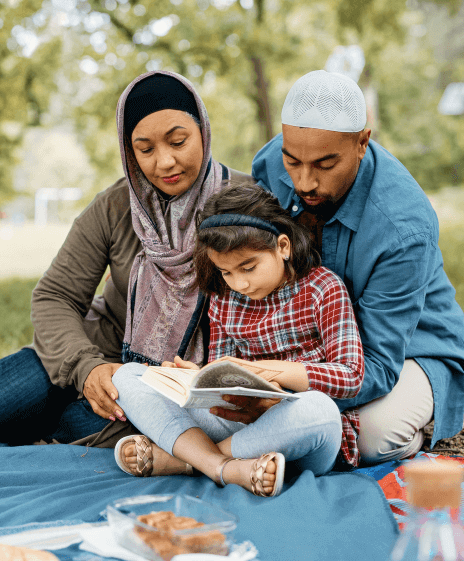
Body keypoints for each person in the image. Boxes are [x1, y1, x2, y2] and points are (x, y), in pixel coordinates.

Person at [0, 70, 251, 447]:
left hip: (192, 377)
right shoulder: (117, 205)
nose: (165, 162)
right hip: (105, 354)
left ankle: (64, 421)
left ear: (202, 130)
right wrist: (88, 369)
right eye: (146, 149)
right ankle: (63, 406)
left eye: (178, 141)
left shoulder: (245, 201)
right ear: (129, 152)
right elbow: (55, 296)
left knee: (87, 423)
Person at [248, 70, 464, 465]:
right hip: (314, 345)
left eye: (325, 163)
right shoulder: (270, 164)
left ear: (362, 143)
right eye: (293, 160)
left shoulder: (404, 228)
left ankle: (420, 422)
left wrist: (289, 388)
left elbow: (378, 363)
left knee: (371, 438)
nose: (303, 182)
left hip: (409, 352)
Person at [111, 181, 364, 496]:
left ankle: (190, 461)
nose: (240, 283)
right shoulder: (225, 297)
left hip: (298, 429)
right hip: (240, 420)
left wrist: (267, 373)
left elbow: (350, 376)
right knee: (128, 375)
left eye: (248, 267)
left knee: (320, 410)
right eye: (227, 272)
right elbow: (222, 375)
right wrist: (200, 380)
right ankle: (228, 468)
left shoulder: (323, 288)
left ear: (282, 247)